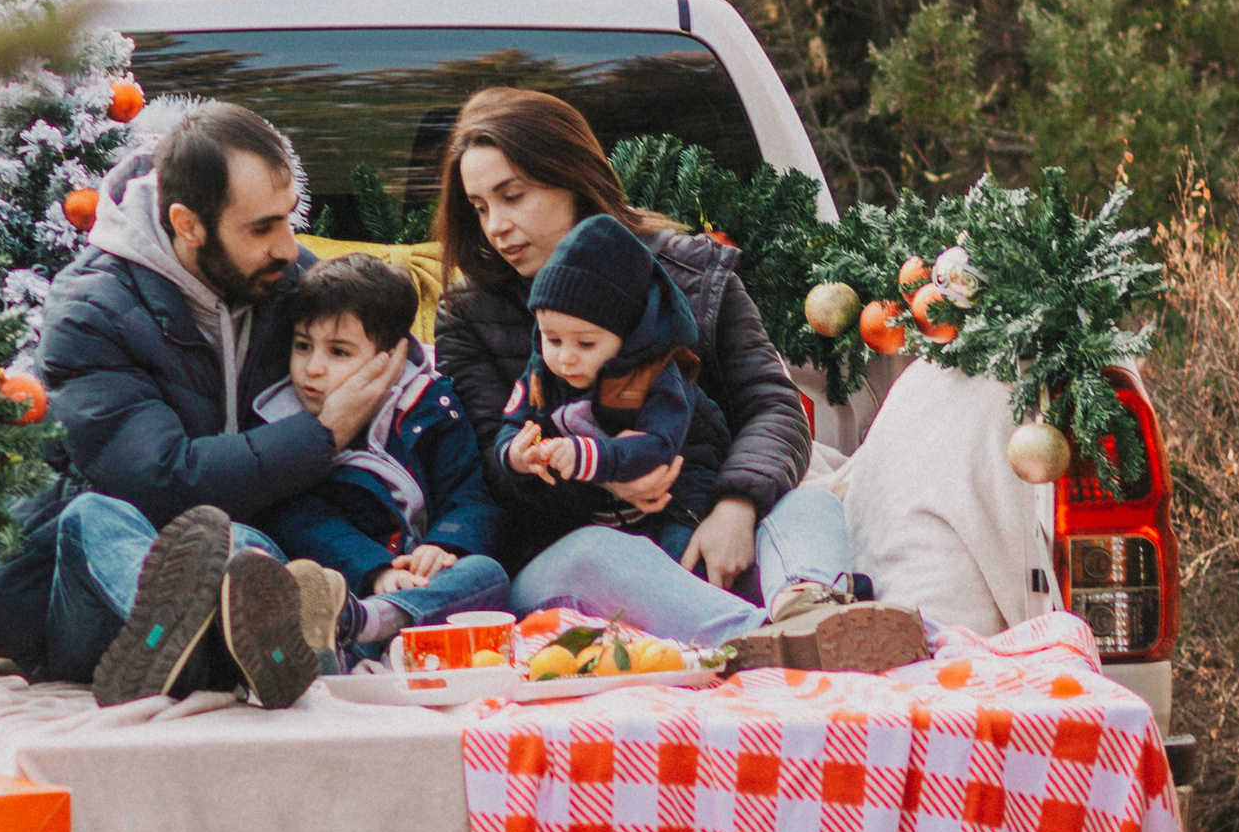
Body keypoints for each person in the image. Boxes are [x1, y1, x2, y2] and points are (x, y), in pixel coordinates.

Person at [0, 105, 405, 703]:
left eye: (288, 219)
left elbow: (397, 363)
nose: (288, 247)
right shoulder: (92, 310)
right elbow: (159, 481)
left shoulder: (288, 284)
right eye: (262, 228)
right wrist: (321, 433)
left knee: (243, 548)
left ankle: (244, 649)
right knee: (96, 516)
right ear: (188, 224)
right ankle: (183, 639)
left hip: (239, 567)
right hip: (89, 606)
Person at [434, 86, 855, 649]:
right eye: (481, 207)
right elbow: (492, 467)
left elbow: (773, 406)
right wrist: (601, 474)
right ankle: (767, 644)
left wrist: (736, 505)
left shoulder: (694, 273)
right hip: (575, 554)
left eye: (513, 196)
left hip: (707, 526)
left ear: (573, 178)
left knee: (811, 503)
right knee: (598, 554)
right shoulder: (470, 312)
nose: (496, 226)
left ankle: (812, 610)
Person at [252, 252, 515, 651]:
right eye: (303, 346)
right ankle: (350, 632)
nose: (313, 367)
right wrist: (376, 570)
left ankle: (371, 623)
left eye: (339, 352)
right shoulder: (281, 425)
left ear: (389, 358)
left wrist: (443, 546)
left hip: (426, 588)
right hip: (345, 585)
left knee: (486, 573)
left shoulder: (430, 406)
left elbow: (469, 495)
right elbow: (300, 519)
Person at [494, 212, 732, 553]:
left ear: (627, 336)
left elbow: (659, 446)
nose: (566, 358)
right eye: (553, 339)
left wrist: (585, 456)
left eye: (586, 343)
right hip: (598, 515)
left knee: (683, 554)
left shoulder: (654, 374)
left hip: (676, 501)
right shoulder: (541, 371)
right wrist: (515, 454)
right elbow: (515, 422)